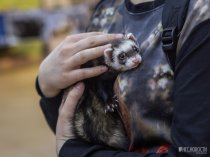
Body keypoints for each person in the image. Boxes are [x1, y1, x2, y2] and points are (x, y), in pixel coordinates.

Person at [36, 0, 210, 156]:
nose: (134, 59)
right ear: (110, 57)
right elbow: (78, 128)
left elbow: (194, 150)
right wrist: (46, 84)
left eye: (135, 51)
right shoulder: (105, 10)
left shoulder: (199, 14)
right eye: (122, 58)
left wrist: (74, 152)